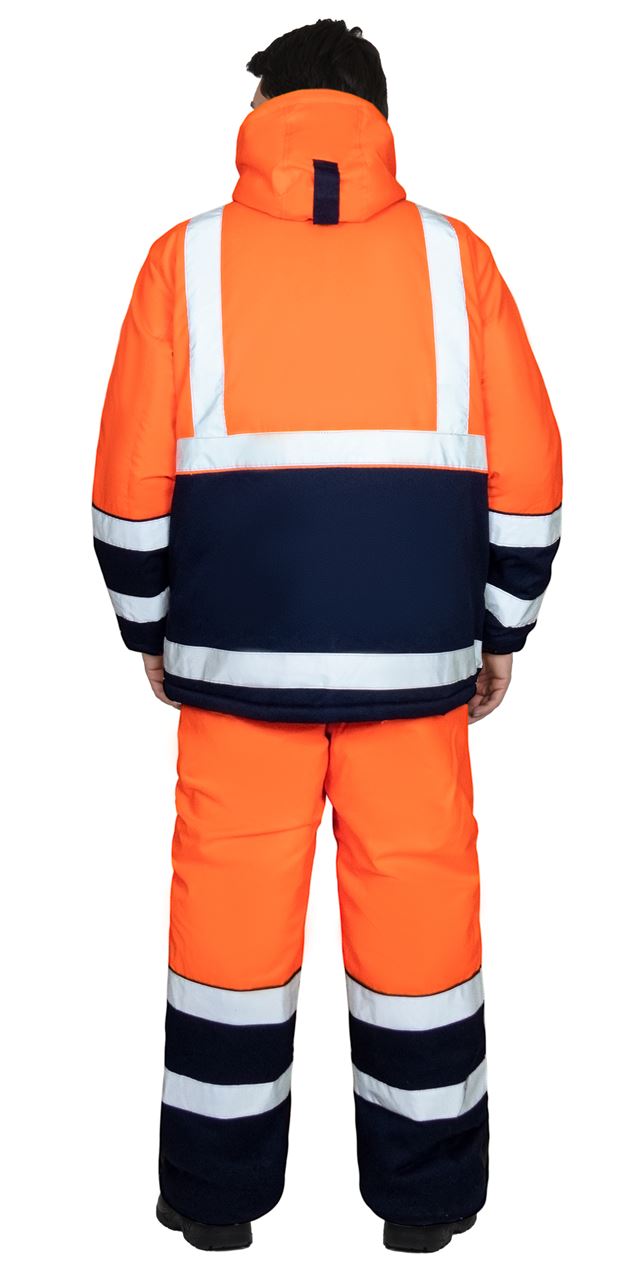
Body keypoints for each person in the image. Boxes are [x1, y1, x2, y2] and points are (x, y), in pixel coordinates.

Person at [92, 18, 562, 1254]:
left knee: (227, 925)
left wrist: (149, 619)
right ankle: (426, 1203)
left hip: (236, 664)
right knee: (420, 918)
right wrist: (502, 622)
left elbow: (128, 472)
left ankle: (212, 1201)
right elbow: (531, 463)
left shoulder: (184, 259)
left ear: (262, 117)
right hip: (417, 666)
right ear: (377, 117)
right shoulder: (457, 257)